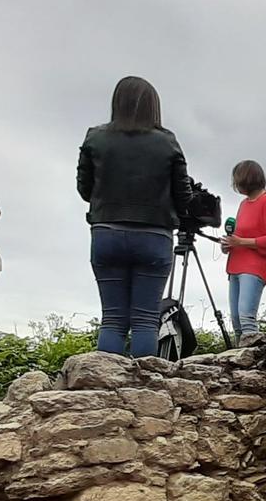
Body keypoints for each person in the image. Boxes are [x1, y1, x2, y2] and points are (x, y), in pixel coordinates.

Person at [78, 76, 192, 357]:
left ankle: (106, 390)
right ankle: (142, 395)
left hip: (107, 232)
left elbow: (84, 189)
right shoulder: (167, 142)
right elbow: (184, 196)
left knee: (113, 319)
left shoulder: (95, 137)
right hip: (154, 236)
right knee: (145, 320)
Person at [221, 160, 266, 339]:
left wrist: (241, 242)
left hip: (255, 266)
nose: (236, 186)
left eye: (238, 181)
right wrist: (229, 244)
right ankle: (241, 361)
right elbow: (239, 237)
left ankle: (252, 359)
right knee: (236, 320)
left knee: (246, 316)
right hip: (235, 265)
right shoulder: (244, 204)